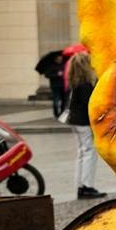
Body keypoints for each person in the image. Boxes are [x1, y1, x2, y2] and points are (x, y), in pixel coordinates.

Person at [65, 50, 102, 200]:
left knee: (82, 153)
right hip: (83, 122)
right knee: (89, 153)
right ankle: (87, 186)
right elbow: (90, 104)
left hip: (75, 121)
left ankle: (81, 186)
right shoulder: (85, 84)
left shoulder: (75, 82)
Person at [35, 48, 70, 119]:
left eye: (61, 57)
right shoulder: (51, 66)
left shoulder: (64, 65)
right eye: (59, 58)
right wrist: (57, 74)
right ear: (56, 59)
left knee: (64, 100)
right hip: (55, 86)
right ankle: (56, 114)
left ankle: (62, 113)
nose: (60, 59)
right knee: (56, 100)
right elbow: (47, 75)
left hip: (64, 85)